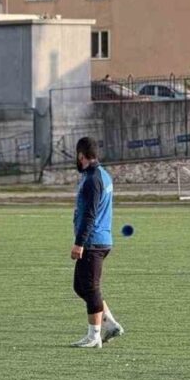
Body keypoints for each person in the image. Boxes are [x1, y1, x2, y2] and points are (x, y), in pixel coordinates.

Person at [70, 137, 124, 348]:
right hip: (100, 239)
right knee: (80, 286)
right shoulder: (103, 175)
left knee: (91, 288)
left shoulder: (93, 179)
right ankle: (110, 324)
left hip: (93, 241)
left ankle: (94, 336)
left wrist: (79, 243)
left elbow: (90, 215)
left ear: (81, 155)